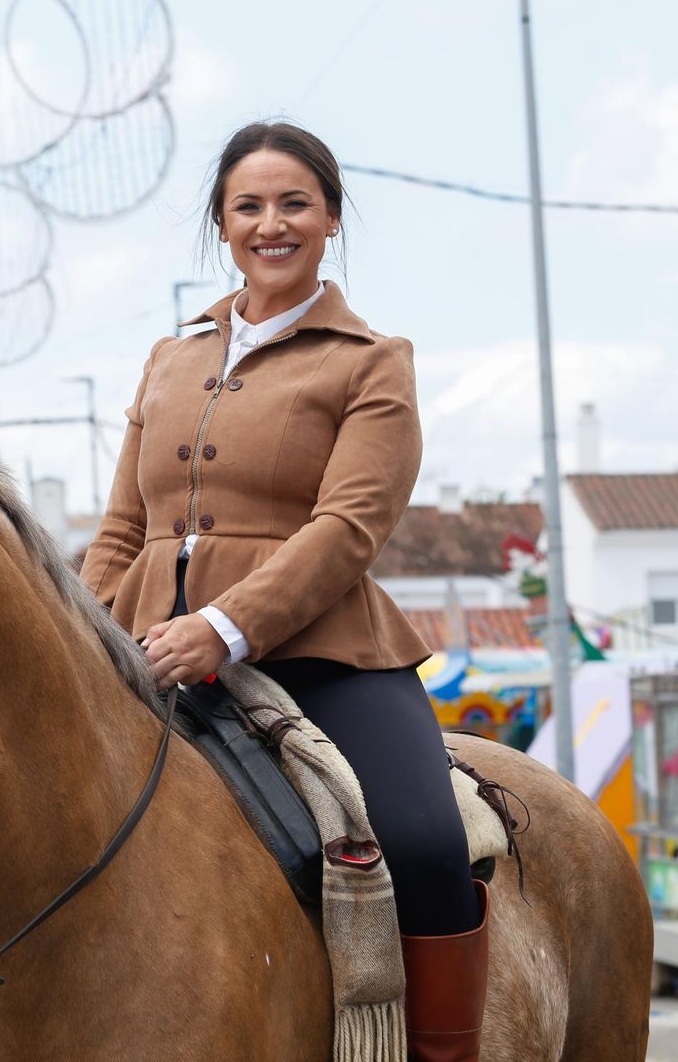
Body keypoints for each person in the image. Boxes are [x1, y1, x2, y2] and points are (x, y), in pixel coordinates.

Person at [79, 121, 488, 1060]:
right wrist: (88, 636)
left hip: (322, 655)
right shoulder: (168, 359)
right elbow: (121, 530)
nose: (272, 224)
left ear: (331, 219)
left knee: (424, 840)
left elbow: (349, 528)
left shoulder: (373, 360)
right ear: (223, 225)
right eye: (249, 206)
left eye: (295, 203)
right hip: (145, 651)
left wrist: (224, 627)